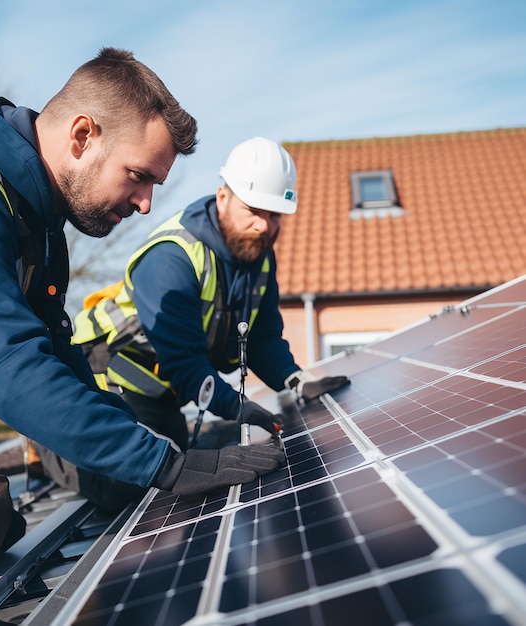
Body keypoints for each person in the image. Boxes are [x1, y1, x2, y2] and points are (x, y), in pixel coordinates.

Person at [0, 49, 285, 588]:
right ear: (82, 136)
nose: (148, 204)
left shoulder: (38, 224)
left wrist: (148, 450)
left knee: (6, 509)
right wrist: (167, 466)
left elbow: (59, 355)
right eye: (138, 176)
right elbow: (10, 366)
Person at [70, 137, 350, 453]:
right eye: (254, 210)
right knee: (134, 483)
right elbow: (185, 364)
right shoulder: (172, 259)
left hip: (164, 389)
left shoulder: (257, 256)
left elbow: (262, 339)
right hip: (104, 379)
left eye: (275, 215)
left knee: (179, 463)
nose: (264, 226)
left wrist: (296, 381)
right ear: (222, 198)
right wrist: (234, 406)